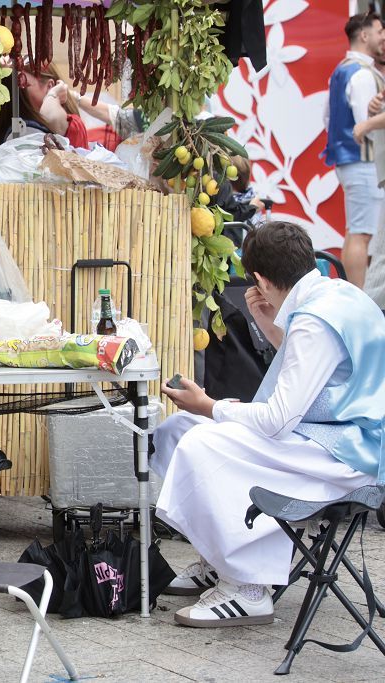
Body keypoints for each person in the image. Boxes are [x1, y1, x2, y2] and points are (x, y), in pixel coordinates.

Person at [155, 221, 384, 628]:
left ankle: (247, 588)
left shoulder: (314, 319)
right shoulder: (337, 292)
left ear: (259, 279)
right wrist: (270, 326)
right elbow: (319, 376)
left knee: (202, 441)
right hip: (335, 436)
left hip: (347, 453)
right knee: (178, 430)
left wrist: (210, 406)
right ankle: (219, 559)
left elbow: (278, 420)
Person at [321, 12, 385, 288]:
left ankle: (352, 292)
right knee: (362, 234)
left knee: (355, 232)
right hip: (363, 161)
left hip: (348, 161)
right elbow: (365, 125)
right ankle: (358, 295)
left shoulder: (342, 69)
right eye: (380, 31)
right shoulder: (362, 74)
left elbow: (326, 118)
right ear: (364, 35)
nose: (383, 37)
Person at [0, 63, 89, 150]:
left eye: (23, 84)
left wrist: (53, 94)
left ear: (49, 86)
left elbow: (50, 117)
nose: (17, 92)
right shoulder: (10, 125)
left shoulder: (72, 124)